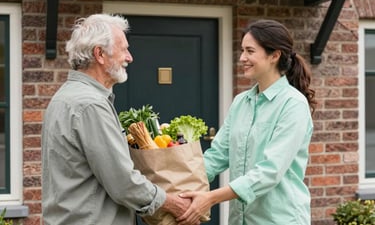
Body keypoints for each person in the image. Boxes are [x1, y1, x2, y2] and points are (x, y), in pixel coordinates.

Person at [41, 14, 192, 225]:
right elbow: (123, 183)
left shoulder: (64, 97)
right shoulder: (90, 105)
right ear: (100, 54)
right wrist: (174, 204)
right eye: (124, 49)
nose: (129, 57)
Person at [177, 19, 317, 225]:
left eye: (250, 51)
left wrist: (210, 198)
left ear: (274, 55)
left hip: (280, 219)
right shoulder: (241, 102)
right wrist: (178, 186)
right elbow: (217, 155)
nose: (242, 58)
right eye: (242, 50)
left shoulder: (293, 105)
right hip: (239, 219)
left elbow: (270, 171)